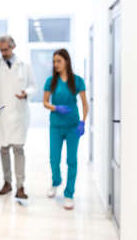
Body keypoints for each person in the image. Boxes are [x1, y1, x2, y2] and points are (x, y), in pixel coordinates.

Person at [0, 35, 36, 200]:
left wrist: (26, 93)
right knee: (4, 149)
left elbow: (33, 86)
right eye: (1, 50)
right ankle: (7, 183)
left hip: (18, 112)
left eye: (6, 49)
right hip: (1, 112)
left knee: (18, 149)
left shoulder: (25, 65)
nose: (3, 53)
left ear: (13, 47)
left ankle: (20, 186)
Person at [43, 48, 88, 210]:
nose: (55, 64)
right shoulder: (51, 81)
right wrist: (56, 108)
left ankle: (69, 194)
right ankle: (56, 181)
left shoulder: (77, 81)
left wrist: (83, 122)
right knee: (54, 158)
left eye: (58, 61)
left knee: (72, 160)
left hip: (72, 126)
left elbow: (84, 104)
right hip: (55, 125)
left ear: (66, 62)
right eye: (54, 61)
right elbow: (45, 102)